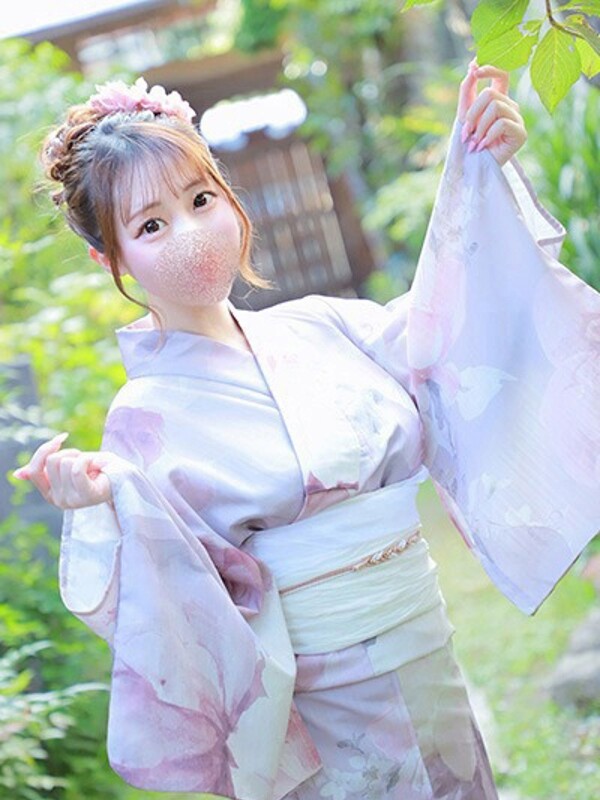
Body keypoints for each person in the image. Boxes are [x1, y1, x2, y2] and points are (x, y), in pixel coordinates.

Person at [13, 60, 600, 800]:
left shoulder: (321, 325)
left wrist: (483, 176)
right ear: (112, 258)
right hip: (315, 702)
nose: (191, 232)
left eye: (201, 199)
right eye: (151, 225)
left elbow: (448, 331)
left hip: (426, 654)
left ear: (229, 197)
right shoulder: (141, 418)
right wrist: (102, 501)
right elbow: (172, 590)